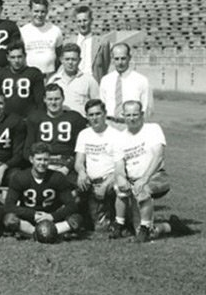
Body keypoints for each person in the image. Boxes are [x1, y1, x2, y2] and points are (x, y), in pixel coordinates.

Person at [110, 101, 190, 242]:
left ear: (142, 114)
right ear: (123, 116)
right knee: (119, 188)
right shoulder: (119, 138)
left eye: (135, 114)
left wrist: (145, 178)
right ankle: (168, 226)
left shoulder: (153, 129)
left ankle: (145, 228)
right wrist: (121, 177)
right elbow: (119, 165)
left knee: (143, 191)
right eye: (128, 115)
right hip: (134, 180)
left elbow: (158, 156)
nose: (132, 118)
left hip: (156, 177)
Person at [3, 142, 81, 241]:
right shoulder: (19, 177)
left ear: (49, 160)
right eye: (39, 159)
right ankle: (44, 233)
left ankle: (38, 234)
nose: (42, 163)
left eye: (45, 159)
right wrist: (33, 214)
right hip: (29, 220)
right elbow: (9, 206)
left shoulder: (58, 177)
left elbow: (72, 205)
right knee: (9, 219)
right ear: (31, 159)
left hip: (52, 218)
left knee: (76, 219)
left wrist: (52, 216)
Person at [73, 99, 123, 231]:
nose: (94, 118)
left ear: (105, 114)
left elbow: (120, 167)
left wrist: (106, 184)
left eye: (98, 114)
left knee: (102, 228)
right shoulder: (84, 134)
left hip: (110, 181)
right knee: (73, 197)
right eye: (91, 115)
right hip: (90, 181)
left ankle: (117, 217)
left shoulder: (116, 135)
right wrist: (81, 172)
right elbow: (78, 161)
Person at [25, 84, 88, 177]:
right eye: (50, 99)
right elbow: (27, 150)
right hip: (42, 163)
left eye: (57, 99)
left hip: (67, 164)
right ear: (44, 100)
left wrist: (67, 167)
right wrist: (40, 165)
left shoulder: (75, 118)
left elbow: (81, 149)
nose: (53, 102)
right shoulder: (35, 119)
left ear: (63, 99)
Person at [0, 40, 44, 119]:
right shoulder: (0, 74)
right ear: (8, 58)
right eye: (13, 57)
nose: (16, 61)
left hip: (28, 118)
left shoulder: (34, 73)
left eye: (19, 57)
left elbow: (40, 101)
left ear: (25, 56)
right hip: (6, 119)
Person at [100, 43, 153, 125]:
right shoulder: (105, 80)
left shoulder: (141, 80)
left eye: (123, 58)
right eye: (116, 59)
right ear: (112, 59)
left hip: (131, 125)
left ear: (129, 58)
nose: (120, 62)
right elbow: (102, 105)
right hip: (109, 124)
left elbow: (147, 109)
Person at [47, 43, 99, 116]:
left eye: (74, 59)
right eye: (67, 59)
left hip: (81, 124)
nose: (70, 62)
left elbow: (97, 106)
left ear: (79, 60)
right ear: (61, 60)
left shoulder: (89, 80)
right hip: (60, 124)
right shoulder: (53, 80)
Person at [19, 0, 63, 75]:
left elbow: (59, 56)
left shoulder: (55, 30)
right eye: (36, 11)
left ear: (47, 12)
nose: (39, 15)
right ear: (30, 11)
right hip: (29, 76)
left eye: (42, 12)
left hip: (50, 76)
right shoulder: (23, 31)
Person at [72, 5, 111, 82]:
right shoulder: (70, 42)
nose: (82, 24)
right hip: (75, 83)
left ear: (91, 20)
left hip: (94, 83)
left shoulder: (102, 43)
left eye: (85, 20)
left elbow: (105, 66)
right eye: (79, 21)